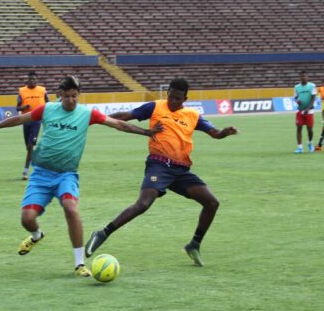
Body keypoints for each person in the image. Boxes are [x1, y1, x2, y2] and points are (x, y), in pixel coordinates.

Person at [0, 76, 163, 277]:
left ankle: (79, 263)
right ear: (60, 96)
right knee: (27, 219)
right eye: (67, 96)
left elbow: (118, 124)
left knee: (70, 208)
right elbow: (20, 119)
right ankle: (36, 235)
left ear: (78, 95)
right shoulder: (47, 109)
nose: (71, 100)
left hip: (66, 174)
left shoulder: (87, 113)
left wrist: (146, 132)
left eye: (74, 96)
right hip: (40, 175)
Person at [84, 78, 239, 267]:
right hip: (159, 165)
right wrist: (98, 119)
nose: (173, 102)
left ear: (185, 98)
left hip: (181, 170)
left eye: (178, 99)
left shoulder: (192, 115)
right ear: (167, 94)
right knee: (143, 204)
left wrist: (224, 132)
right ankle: (103, 233)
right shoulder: (155, 107)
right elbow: (126, 115)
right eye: (171, 97)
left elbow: (214, 133)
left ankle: (194, 245)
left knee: (212, 202)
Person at [17, 71, 50, 180]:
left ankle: (25, 171)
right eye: (30, 79)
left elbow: (49, 105)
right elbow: (17, 108)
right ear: (27, 80)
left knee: (31, 146)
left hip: (37, 121)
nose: (32, 81)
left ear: (37, 80)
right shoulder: (22, 91)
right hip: (25, 121)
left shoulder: (42, 90)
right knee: (29, 148)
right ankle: (38, 161)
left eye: (34, 79)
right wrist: (24, 107)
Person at [294, 70, 317, 153]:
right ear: (300, 77)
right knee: (299, 129)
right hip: (300, 111)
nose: (303, 78)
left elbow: (313, 98)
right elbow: (295, 97)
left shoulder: (312, 86)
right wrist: (297, 101)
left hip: (309, 111)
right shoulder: (297, 87)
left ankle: (310, 143)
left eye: (305, 76)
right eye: (302, 76)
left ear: (307, 77)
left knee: (309, 129)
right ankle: (300, 147)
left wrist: (308, 108)